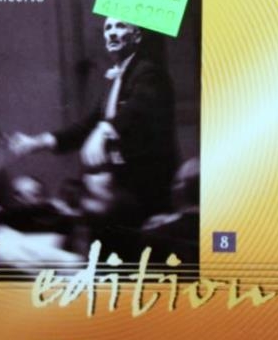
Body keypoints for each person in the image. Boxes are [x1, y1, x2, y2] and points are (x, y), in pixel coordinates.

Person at [10, 17, 179, 258]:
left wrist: (106, 129)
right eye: (108, 28)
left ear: (137, 36)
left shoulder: (148, 72)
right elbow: (85, 127)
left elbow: (138, 108)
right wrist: (37, 142)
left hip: (143, 198)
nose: (112, 33)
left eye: (120, 26)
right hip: (119, 201)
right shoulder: (115, 82)